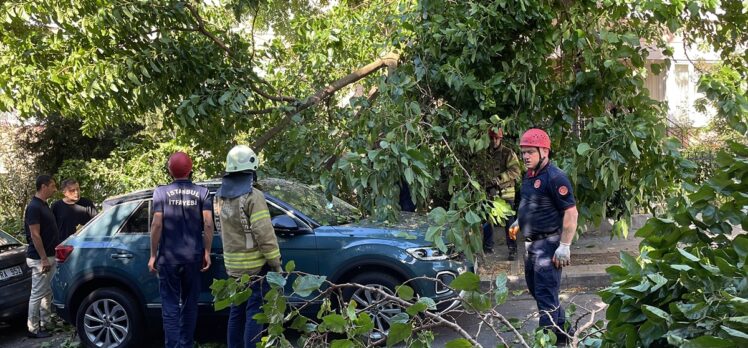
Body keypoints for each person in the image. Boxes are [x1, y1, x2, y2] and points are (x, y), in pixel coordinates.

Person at [215, 145, 282, 348]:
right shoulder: (253, 197)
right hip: (256, 269)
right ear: (251, 169)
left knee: (236, 312)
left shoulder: (219, 197)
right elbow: (265, 235)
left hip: (233, 269)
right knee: (255, 313)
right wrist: (276, 263)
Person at [516, 128, 578, 345]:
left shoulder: (555, 178)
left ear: (544, 151)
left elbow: (571, 213)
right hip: (532, 247)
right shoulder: (530, 175)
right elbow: (531, 204)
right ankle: (567, 335)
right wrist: (519, 221)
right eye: (523, 152)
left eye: (530, 152)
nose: (525, 156)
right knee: (540, 294)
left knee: (545, 300)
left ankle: (550, 342)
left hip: (548, 246)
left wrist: (564, 246)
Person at [148, 152, 214, 348]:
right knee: (189, 305)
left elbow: (156, 225)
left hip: (168, 258)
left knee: (169, 307)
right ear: (190, 168)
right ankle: (186, 344)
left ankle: (172, 346)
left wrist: (153, 254)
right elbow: (208, 224)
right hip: (193, 257)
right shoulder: (203, 192)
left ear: (170, 170)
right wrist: (207, 252)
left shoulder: (160, 193)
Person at [24, 175, 60, 338]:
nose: (54, 189)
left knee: (47, 292)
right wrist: (44, 258)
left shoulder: (44, 205)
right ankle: (33, 329)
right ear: (44, 186)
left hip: (49, 256)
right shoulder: (33, 207)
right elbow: (35, 235)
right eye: (52, 186)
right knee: (38, 293)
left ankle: (46, 324)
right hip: (40, 258)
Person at [478, 128, 521, 258]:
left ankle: (513, 249)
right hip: (489, 193)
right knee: (487, 221)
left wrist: (499, 179)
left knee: (510, 223)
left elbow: (516, 171)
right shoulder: (484, 154)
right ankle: (488, 248)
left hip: (506, 193)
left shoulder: (508, 153)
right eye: (492, 138)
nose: (494, 141)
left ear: (501, 138)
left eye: (497, 138)